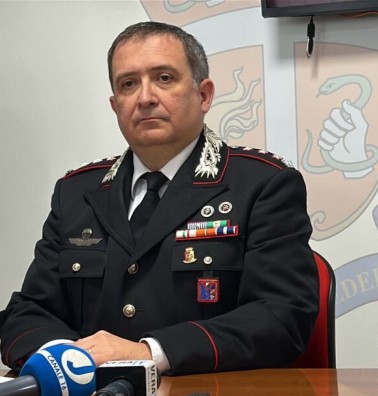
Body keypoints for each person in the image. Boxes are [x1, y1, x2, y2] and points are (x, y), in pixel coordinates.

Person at [0, 21, 319, 376]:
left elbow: (281, 316)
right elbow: (28, 313)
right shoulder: (76, 193)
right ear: (115, 105)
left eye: (164, 78)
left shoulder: (262, 184)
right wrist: (67, 361)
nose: (145, 97)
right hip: (89, 395)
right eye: (128, 84)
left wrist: (150, 353)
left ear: (204, 95)